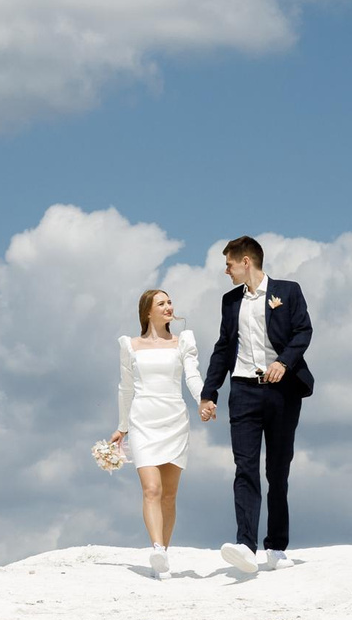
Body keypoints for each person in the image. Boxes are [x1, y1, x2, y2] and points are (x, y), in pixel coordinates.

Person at [198, 235, 313, 574]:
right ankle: (245, 545)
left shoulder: (288, 291)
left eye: (229, 264)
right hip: (244, 391)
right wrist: (209, 392)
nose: (226, 271)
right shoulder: (230, 301)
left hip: (282, 391)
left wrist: (284, 362)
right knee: (244, 468)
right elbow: (223, 348)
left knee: (277, 471)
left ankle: (276, 546)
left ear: (246, 262)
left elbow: (303, 331)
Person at [108, 287, 204, 577]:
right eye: (161, 303)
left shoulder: (183, 341)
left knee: (169, 495)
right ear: (147, 311)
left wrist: (204, 401)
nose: (168, 306)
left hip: (174, 418)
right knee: (152, 489)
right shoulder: (130, 345)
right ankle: (157, 549)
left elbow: (193, 375)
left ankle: (163, 554)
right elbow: (125, 388)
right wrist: (122, 426)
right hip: (143, 420)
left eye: (170, 301)